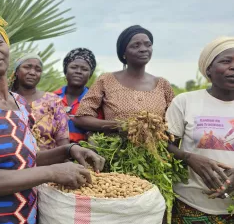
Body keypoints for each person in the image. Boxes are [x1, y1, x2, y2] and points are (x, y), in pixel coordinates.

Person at [0, 10, 105, 224]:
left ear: (7, 47)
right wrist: (53, 172)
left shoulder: (19, 103)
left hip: (24, 216)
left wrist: (69, 150)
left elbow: (23, 160)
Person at [166, 37, 234, 223]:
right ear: (208, 69)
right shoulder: (186, 102)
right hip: (191, 204)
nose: (232, 67)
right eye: (226, 61)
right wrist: (190, 158)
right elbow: (165, 145)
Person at [73, 25, 174, 133]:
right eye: (136, 45)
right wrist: (119, 125)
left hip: (156, 149)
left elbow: (176, 124)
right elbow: (81, 118)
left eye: (148, 45)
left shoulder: (162, 85)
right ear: (123, 53)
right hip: (115, 148)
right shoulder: (106, 80)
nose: (143, 49)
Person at [10, 53, 70, 150]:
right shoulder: (6, 99)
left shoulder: (53, 101)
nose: (32, 72)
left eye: (38, 70)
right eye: (27, 67)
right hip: (14, 162)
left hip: (50, 162)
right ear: (16, 71)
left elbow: (63, 141)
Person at [53, 48, 100, 142]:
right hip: (55, 153)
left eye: (84, 69)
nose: (78, 71)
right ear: (66, 71)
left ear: (90, 74)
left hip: (85, 153)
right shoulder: (52, 98)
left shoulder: (96, 100)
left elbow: (99, 132)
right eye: (73, 67)